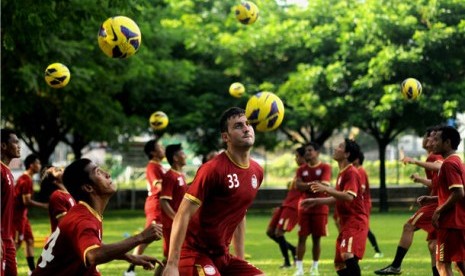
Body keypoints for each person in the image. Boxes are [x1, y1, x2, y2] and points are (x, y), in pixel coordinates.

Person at [162, 107, 265, 276]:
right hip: (194, 253)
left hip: (222, 255)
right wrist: (172, 264)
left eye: (248, 124)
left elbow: (240, 215)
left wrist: (239, 258)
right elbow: (183, 213)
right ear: (226, 137)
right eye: (238, 126)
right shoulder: (212, 169)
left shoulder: (257, 171)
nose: (246, 128)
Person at [32, 158, 164, 275]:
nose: (107, 174)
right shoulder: (82, 219)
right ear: (88, 187)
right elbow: (93, 255)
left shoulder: (85, 212)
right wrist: (140, 237)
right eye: (98, 172)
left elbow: (92, 244)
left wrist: (130, 257)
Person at [375, 127, 443, 275]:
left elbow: (440, 167)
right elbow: (436, 183)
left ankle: (396, 265)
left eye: (432, 137)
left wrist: (414, 161)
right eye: (429, 136)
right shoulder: (433, 157)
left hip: (437, 204)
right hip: (437, 201)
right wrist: (420, 180)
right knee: (433, 245)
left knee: (409, 226)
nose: (428, 139)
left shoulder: (434, 156)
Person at [302, 139, 368, 276]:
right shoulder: (342, 172)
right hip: (346, 223)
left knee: (347, 255)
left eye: (340, 147)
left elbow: (349, 196)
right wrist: (316, 201)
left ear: (347, 154)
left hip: (355, 222)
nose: (336, 149)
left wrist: (325, 188)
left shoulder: (351, 172)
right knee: (339, 264)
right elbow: (338, 197)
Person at [125, 139, 166, 276]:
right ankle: (130, 268)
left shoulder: (160, 166)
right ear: (153, 152)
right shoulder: (152, 166)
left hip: (161, 206)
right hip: (156, 206)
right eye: (160, 147)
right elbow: (159, 187)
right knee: (148, 237)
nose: (163, 148)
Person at [430, 126, 465, 275]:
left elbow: (459, 192)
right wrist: (432, 199)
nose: (433, 142)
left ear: (447, 142)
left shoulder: (449, 164)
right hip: (458, 220)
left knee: (442, 264)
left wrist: (438, 210)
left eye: (437, 139)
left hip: (450, 222)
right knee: (460, 263)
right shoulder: (458, 160)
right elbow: (454, 192)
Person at [293, 142, 332, 276]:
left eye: (310, 150)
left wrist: (307, 185)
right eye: (306, 151)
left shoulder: (325, 167)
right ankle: (299, 269)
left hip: (320, 207)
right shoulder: (301, 169)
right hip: (304, 207)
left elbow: (324, 184)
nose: (307, 153)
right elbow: (298, 186)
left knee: (316, 239)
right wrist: (314, 184)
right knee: (301, 237)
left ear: (317, 152)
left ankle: (314, 268)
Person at [266, 146, 304, 269]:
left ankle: (287, 263)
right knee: (270, 232)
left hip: (293, 207)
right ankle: (293, 250)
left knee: (278, 233)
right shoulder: (299, 172)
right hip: (285, 205)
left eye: (297, 156)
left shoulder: (307, 172)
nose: (295, 159)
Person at [156, 144, 188, 275]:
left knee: (173, 257)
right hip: (172, 225)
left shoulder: (180, 175)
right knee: (171, 258)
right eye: (182, 153)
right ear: (175, 158)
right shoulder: (170, 176)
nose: (185, 156)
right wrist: (176, 220)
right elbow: (163, 201)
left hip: (178, 223)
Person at [13, 154, 48, 274]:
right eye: (38, 163)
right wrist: (44, 206)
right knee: (16, 244)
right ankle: (5, 264)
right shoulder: (26, 179)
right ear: (31, 165)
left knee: (30, 240)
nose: (40, 166)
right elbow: (26, 201)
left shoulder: (27, 178)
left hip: (23, 216)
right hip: (16, 217)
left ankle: (32, 271)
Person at [353, 151, 383, 258]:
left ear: (357, 159)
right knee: (361, 227)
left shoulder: (360, 171)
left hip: (363, 204)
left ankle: (377, 251)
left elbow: (362, 188)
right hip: (360, 204)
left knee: (364, 228)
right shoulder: (356, 170)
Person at [1, 128, 21, 276]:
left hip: (8, 239)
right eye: (15, 142)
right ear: (3, 146)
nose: (19, 145)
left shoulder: (8, 172)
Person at [38, 166, 76, 232]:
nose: (62, 169)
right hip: (63, 240)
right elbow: (64, 223)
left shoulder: (69, 194)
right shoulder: (57, 196)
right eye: (57, 170)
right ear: (54, 181)